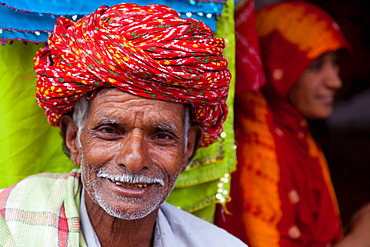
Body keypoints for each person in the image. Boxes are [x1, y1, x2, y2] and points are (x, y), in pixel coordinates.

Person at [0, 3, 247, 246]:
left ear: (188, 147)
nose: (134, 160)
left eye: (161, 136)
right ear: (73, 138)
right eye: (110, 131)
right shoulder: (8, 227)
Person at [215, 1, 370, 246]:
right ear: (277, 64)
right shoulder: (258, 154)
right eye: (316, 66)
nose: (335, 81)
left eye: (335, 63)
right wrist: (360, 238)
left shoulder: (294, 132)